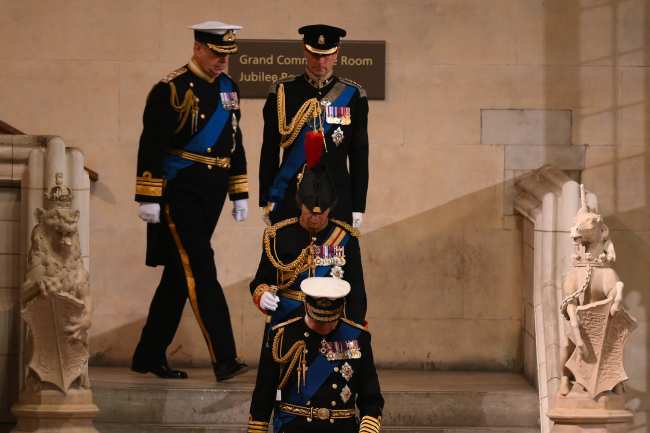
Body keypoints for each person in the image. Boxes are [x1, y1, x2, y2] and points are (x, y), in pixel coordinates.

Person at [131, 21, 248, 381]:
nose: (221, 61)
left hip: (211, 190)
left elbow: (234, 140)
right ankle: (224, 358)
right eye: (215, 53)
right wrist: (148, 195)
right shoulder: (171, 89)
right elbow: (151, 143)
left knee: (179, 278)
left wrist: (238, 191)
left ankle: (148, 355)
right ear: (198, 48)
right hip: (179, 190)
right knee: (201, 268)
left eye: (227, 55)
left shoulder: (229, 88)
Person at [259, 24, 369, 229]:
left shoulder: (353, 95)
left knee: (334, 260)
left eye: (327, 55)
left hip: (337, 196)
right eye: (315, 55)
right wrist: (266, 198)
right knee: (288, 258)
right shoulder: (283, 92)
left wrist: (358, 205)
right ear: (304, 50)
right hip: (291, 195)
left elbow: (359, 154)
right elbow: (269, 149)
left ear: (337, 53)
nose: (321, 62)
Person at [247, 276, 384, 433]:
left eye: (330, 321)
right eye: (318, 320)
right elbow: (263, 395)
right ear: (307, 305)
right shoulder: (281, 335)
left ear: (340, 309)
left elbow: (371, 397)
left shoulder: (356, 337)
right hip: (294, 427)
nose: (324, 326)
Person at [250, 163, 367, 329]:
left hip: (329, 324)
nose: (315, 217)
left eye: (321, 212)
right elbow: (260, 280)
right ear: (300, 204)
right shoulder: (278, 236)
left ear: (330, 208)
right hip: (286, 321)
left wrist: (355, 329)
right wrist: (262, 295)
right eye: (310, 211)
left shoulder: (345, 238)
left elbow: (356, 291)